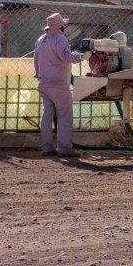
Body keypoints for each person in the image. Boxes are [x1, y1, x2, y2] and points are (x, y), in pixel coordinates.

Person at [33, 12, 84, 157]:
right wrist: (81, 56)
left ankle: (47, 147)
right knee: (64, 114)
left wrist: (38, 74)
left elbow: (35, 60)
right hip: (59, 83)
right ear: (61, 26)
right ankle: (64, 148)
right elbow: (65, 57)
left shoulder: (41, 39)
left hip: (43, 82)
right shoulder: (60, 38)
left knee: (47, 114)